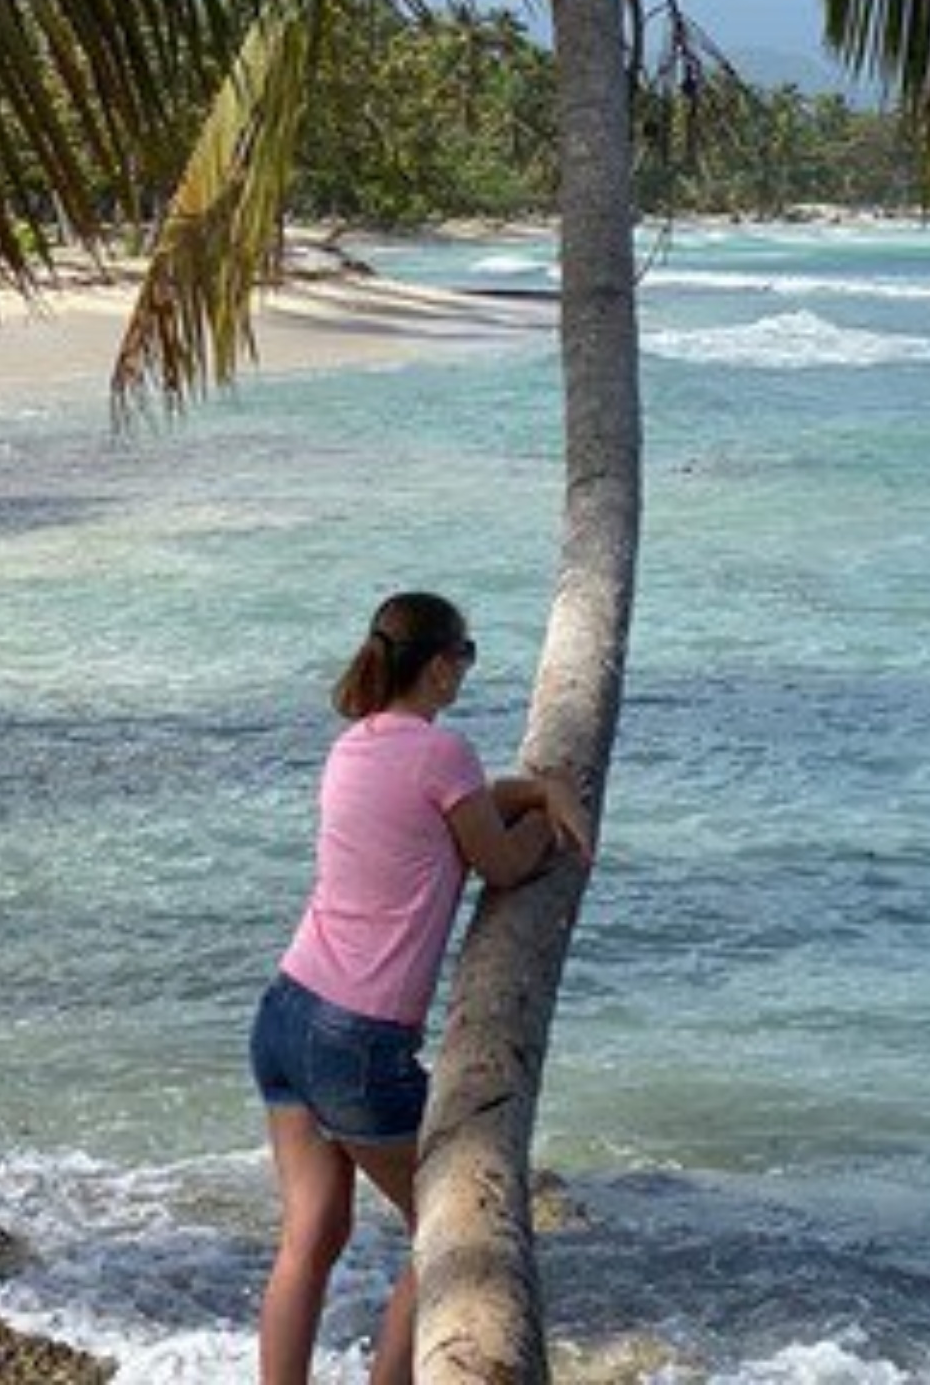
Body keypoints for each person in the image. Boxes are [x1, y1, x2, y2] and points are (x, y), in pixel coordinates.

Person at [249, 591, 592, 1385]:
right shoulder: (443, 755)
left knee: (309, 1237)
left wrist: (529, 791)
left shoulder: (355, 747)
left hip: (285, 1015)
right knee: (438, 1238)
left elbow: (460, 810)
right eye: (466, 654)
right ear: (439, 667)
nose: (467, 670)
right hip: (357, 1043)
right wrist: (554, 810)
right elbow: (502, 861)